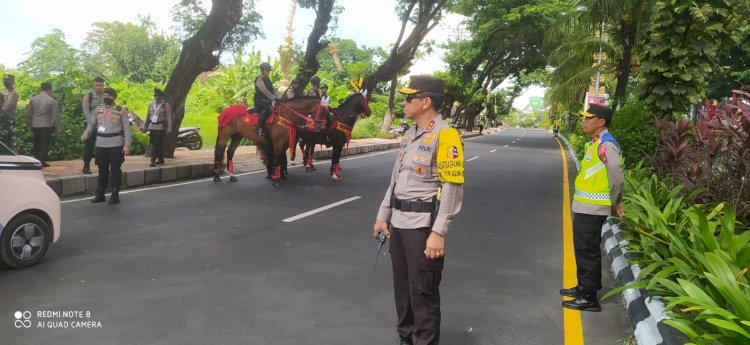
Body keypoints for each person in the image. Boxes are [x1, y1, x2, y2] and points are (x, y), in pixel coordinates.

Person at [373, 75, 464, 345]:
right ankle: (406, 338)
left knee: (422, 291)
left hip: (423, 226)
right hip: (399, 223)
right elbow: (395, 179)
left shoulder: (446, 135)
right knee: (402, 289)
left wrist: (438, 232)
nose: (404, 102)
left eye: (409, 98)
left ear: (425, 102)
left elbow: (452, 188)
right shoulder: (409, 134)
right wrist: (382, 215)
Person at [560, 103, 624, 312]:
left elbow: (616, 175)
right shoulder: (595, 143)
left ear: (601, 122)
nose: (584, 121)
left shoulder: (606, 144)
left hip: (594, 207)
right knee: (583, 248)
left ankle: (589, 298)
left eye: (588, 118)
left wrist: (615, 202)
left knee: (587, 251)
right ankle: (583, 287)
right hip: (586, 206)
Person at [80, 87, 131, 204]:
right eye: (105, 95)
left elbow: (127, 129)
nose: (106, 97)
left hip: (115, 144)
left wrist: (127, 145)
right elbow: (92, 124)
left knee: (115, 170)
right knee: (102, 170)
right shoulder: (99, 109)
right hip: (101, 143)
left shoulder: (121, 110)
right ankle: (101, 193)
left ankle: (114, 194)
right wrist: (86, 134)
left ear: (114, 97)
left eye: (109, 95)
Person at [26, 82, 61, 167]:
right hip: (46, 125)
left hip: (35, 124)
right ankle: (41, 161)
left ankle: (36, 160)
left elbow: (29, 113)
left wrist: (29, 124)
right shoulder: (52, 100)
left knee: (37, 143)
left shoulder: (33, 99)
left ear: (40, 89)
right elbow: (56, 115)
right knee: (44, 144)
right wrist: (58, 127)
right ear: (49, 89)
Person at [81, 77, 106, 174]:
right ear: (93, 85)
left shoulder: (107, 95)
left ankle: (101, 164)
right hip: (91, 124)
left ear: (103, 85)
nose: (98, 87)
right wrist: (91, 127)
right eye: (96, 85)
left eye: (100, 85)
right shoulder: (88, 96)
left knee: (102, 146)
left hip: (104, 125)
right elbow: (87, 113)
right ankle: (86, 166)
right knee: (89, 146)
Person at [144, 88, 172, 167]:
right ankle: (161, 158)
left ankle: (152, 161)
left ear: (162, 96)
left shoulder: (166, 105)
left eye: (158, 96)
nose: (157, 97)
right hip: (152, 127)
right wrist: (145, 125)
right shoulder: (151, 104)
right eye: (155, 96)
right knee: (154, 143)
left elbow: (168, 117)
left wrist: (169, 128)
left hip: (161, 127)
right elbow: (148, 116)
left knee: (157, 144)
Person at [254, 62, 280, 135]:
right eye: (267, 70)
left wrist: (280, 98)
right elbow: (264, 90)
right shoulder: (259, 79)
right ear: (262, 70)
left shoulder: (268, 79)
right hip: (260, 102)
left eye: (269, 71)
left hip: (267, 101)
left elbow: (273, 89)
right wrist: (274, 98)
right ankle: (259, 128)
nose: (268, 72)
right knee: (266, 110)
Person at [2, 74, 19, 148]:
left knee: (9, 142)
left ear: (12, 81)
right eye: (4, 80)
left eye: (7, 80)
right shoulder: (2, 91)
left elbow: (7, 106)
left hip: (8, 120)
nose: (5, 81)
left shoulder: (14, 93)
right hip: (1, 120)